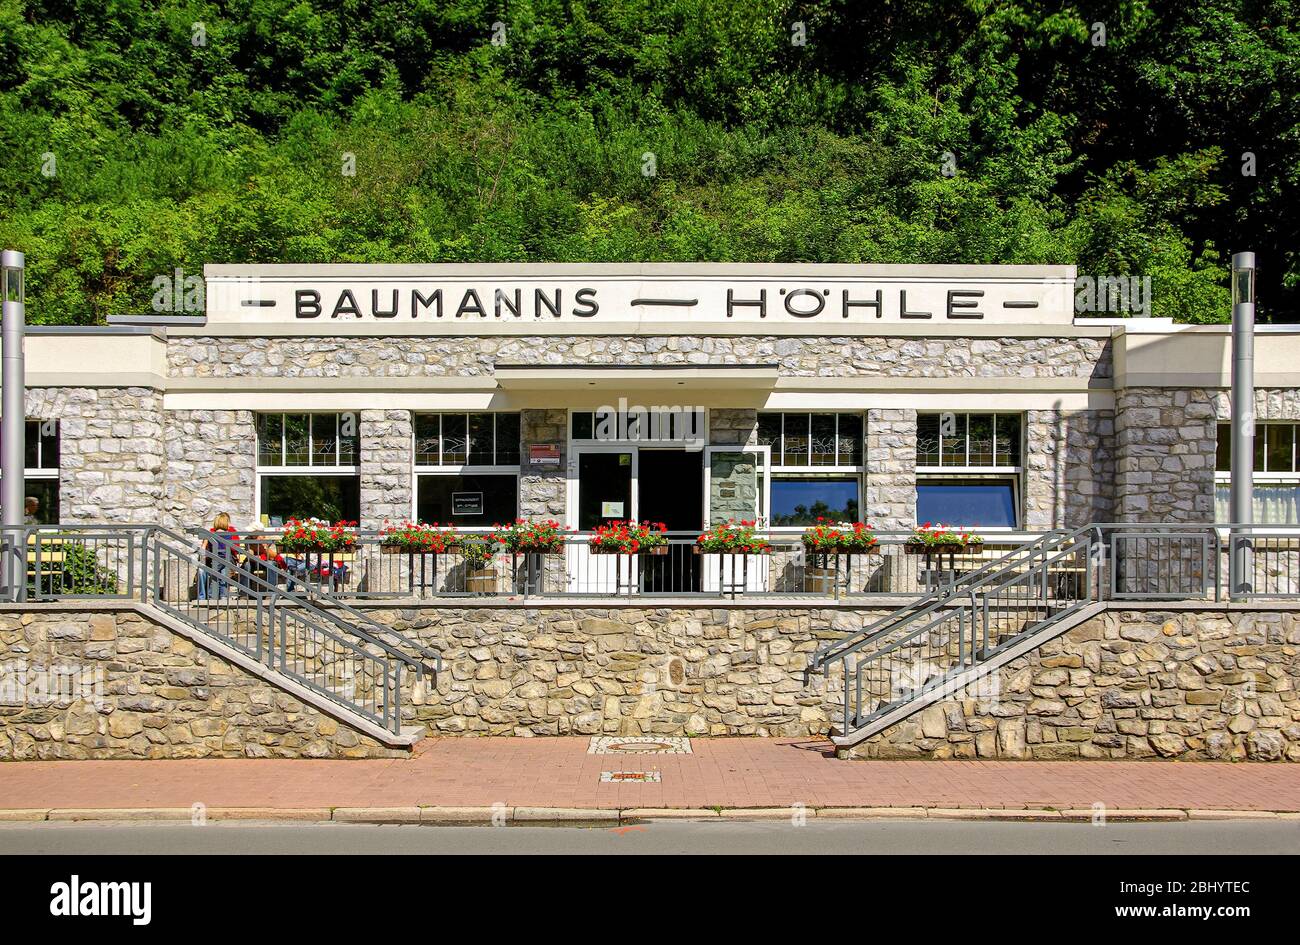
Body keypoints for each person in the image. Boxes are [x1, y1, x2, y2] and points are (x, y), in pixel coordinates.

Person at [197, 512, 239, 601]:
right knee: (223, 575)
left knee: (215, 575)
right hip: (226, 560)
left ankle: (212, 596)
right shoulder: (229, 535)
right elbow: (236, 548)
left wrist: (203, 556)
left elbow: (204, 546)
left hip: (216, 560)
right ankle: (223, 597)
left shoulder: (212, 534)